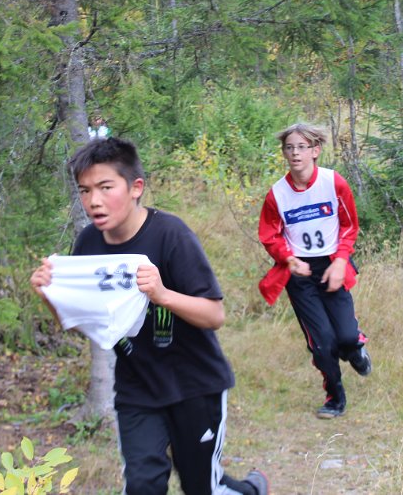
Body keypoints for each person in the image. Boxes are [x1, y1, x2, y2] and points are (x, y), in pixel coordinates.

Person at [30, 137, 269, 495]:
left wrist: (162, 295)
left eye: (105, 187)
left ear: (135, 188)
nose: (94, 201)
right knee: (142, 486)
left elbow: (214, 315)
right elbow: (85, 325)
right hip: (136, 389)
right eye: (84, 190)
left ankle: (252, 490)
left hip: (195, 386)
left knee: (202, 489)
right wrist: (50, 296)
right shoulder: (88, 246)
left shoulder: (171, 235)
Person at [257, 123, 371, 420]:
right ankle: (335, 397)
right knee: (322, 343)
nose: (295, 153)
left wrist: (341, 261)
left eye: (302, 147)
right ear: (284, 153)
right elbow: (270, 235)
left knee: (345, 337)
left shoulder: (334, 183)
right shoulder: (277, 194)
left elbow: (349, 225)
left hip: (332, 265)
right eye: (289, 148)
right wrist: (288, 258)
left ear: (315, 151)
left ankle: (355, 347)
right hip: (300, 273)